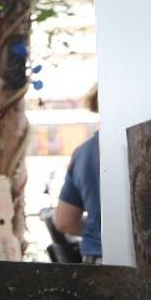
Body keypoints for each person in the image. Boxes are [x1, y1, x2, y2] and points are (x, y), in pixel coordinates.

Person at [55, 85, 101, 263]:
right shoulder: (149, 140)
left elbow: (64, 221)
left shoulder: (83, 152)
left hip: (97, 260)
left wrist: (97, 228)